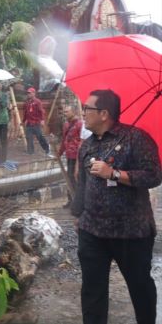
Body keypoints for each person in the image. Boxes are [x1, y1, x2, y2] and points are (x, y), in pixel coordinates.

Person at [72, 89, 160, 324]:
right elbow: (83, 183)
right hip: (92, 230)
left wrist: (114, 173)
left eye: (87, 109)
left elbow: (154, 176)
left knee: (140, 286)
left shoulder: (136, 138)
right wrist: (78, 215)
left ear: (104, 113)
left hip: (130, 232)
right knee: (92, 291)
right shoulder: (87, 145)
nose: (83, 113)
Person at [57, 105, 82, 208]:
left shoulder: (80, 124)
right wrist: (60, 152)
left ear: (74, 112)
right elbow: (64, 140)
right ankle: (71, 200)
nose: (65, 113)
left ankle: (77, 202)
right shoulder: (66, 125)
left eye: (67, 112)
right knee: (69, 178)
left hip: (76, 156)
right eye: (64, 112)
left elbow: (83, 141)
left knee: (74, 178)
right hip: (69, 155)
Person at [22, 87, 50, 156]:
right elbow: (26, 113)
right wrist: (23, 121)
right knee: (29, 137)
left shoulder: (38, 102)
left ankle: (47, 148)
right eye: (28, 93)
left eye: (30, 93)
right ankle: (30, 152)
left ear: (34, 93)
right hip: (29, 123)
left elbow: (41, 111)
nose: (28, 94)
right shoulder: (27, 103)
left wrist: (42, 120)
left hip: (36, 123)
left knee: (39, 137)